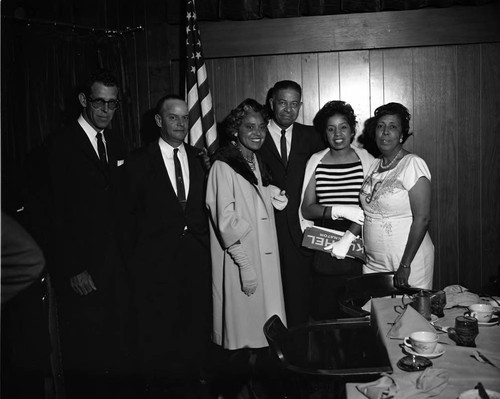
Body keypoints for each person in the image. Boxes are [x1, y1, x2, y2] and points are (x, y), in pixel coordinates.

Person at [116, 95, 211, 398]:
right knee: (159, 334)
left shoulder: (201, 157)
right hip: (154, 266)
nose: (181, 124)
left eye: (185, 118)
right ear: (159, 121)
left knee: (194, 329)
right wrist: (136, 263)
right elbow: (125, 219)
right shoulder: (138, 161)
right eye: (174, 117)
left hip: (195, 260)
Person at [48, 69, 127, 399]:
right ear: (83, 101)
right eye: (99, 103)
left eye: (113, 104)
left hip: (115, 269)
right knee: (86, 360)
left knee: (115, 354)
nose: (106, 111)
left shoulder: (115, 141)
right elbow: (50, 217)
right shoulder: (59, 146)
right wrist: (72, 268)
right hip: (82, 273)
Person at [206, 99, 288, 397]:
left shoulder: (254, 160)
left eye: (262, 127)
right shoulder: (222, 165)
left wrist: (270, 194)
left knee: (262, 338)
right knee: (243, 343)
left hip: (264, 263)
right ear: (235, 130)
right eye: (249, 127)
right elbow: (224, 219)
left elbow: (249, 198)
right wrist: (244, 265)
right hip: (244, 264)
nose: (257, 133)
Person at [299, 101, 374, 319]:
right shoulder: (316, 161)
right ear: (324, 133)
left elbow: (372, 207)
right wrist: (337, 210)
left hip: (359, 241)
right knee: (325, 313)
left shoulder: (366, 160)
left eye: (343, 127)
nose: (337, 133)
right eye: (331, 129)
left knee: (356, 314)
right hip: (325, 244)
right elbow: (307, 209)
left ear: (353, 130)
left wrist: (349, 237)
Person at [259, 80, 325, 326]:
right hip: (266, 230)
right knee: (268, 302)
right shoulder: (257, 133)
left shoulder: (312, 136)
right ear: (272, 103)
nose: (288, 109)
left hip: (301, 232)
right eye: (283, 103)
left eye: (294, 104)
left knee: (299, 303)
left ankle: (298, 358)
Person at [360, 102, 434, 289]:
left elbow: (422, 219)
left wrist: (405, 264)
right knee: (376, 314)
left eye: (392, 127)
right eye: (380, 126)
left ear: (402, 135)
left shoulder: (413, 164)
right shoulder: (374, 164)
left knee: (410, 316)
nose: (385, 132)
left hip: (408, 261)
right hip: (373, 262)